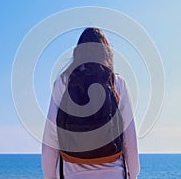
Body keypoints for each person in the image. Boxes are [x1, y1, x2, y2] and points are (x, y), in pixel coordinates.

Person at [42, 28, 139, 179]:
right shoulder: (117, 83)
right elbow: (129, 139)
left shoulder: (63, 82)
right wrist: (133, 175)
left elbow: (51, 138)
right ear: (106, 52)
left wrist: (50, 176)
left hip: (72, 174)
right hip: (113, 173)